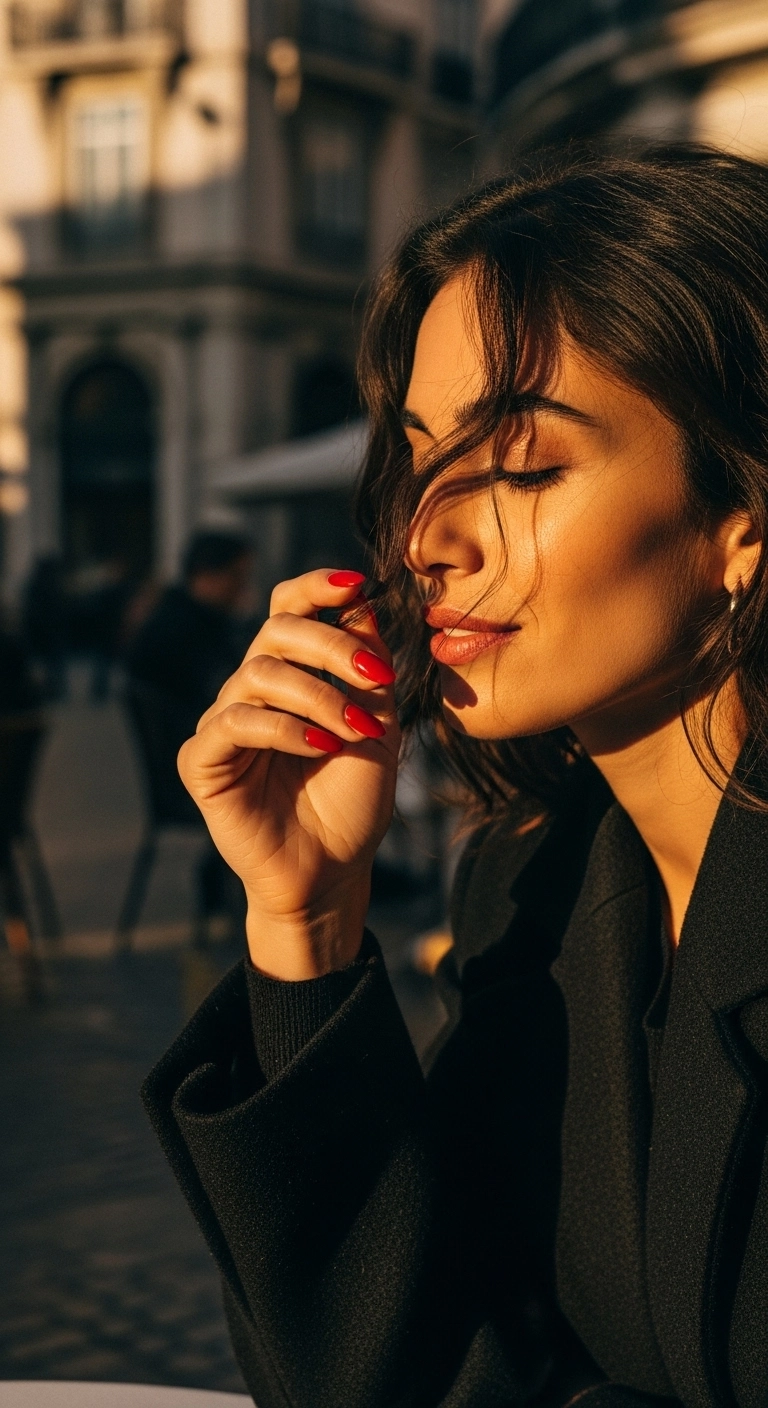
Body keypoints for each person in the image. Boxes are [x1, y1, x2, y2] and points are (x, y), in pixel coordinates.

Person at [142, 146, 768, 1408]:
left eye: (526, 467)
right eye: (423, 454)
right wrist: (306, 924)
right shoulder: (534, 885)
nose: (426, 533)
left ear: (740, 521)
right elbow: (421, 1373)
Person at [126, 529, 254, 925]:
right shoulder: (181, 629)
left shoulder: (188, 619)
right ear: (207, 575)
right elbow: (219, 697)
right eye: (237, 577)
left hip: (194, 764)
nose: (242, 589)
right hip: (189, 775)